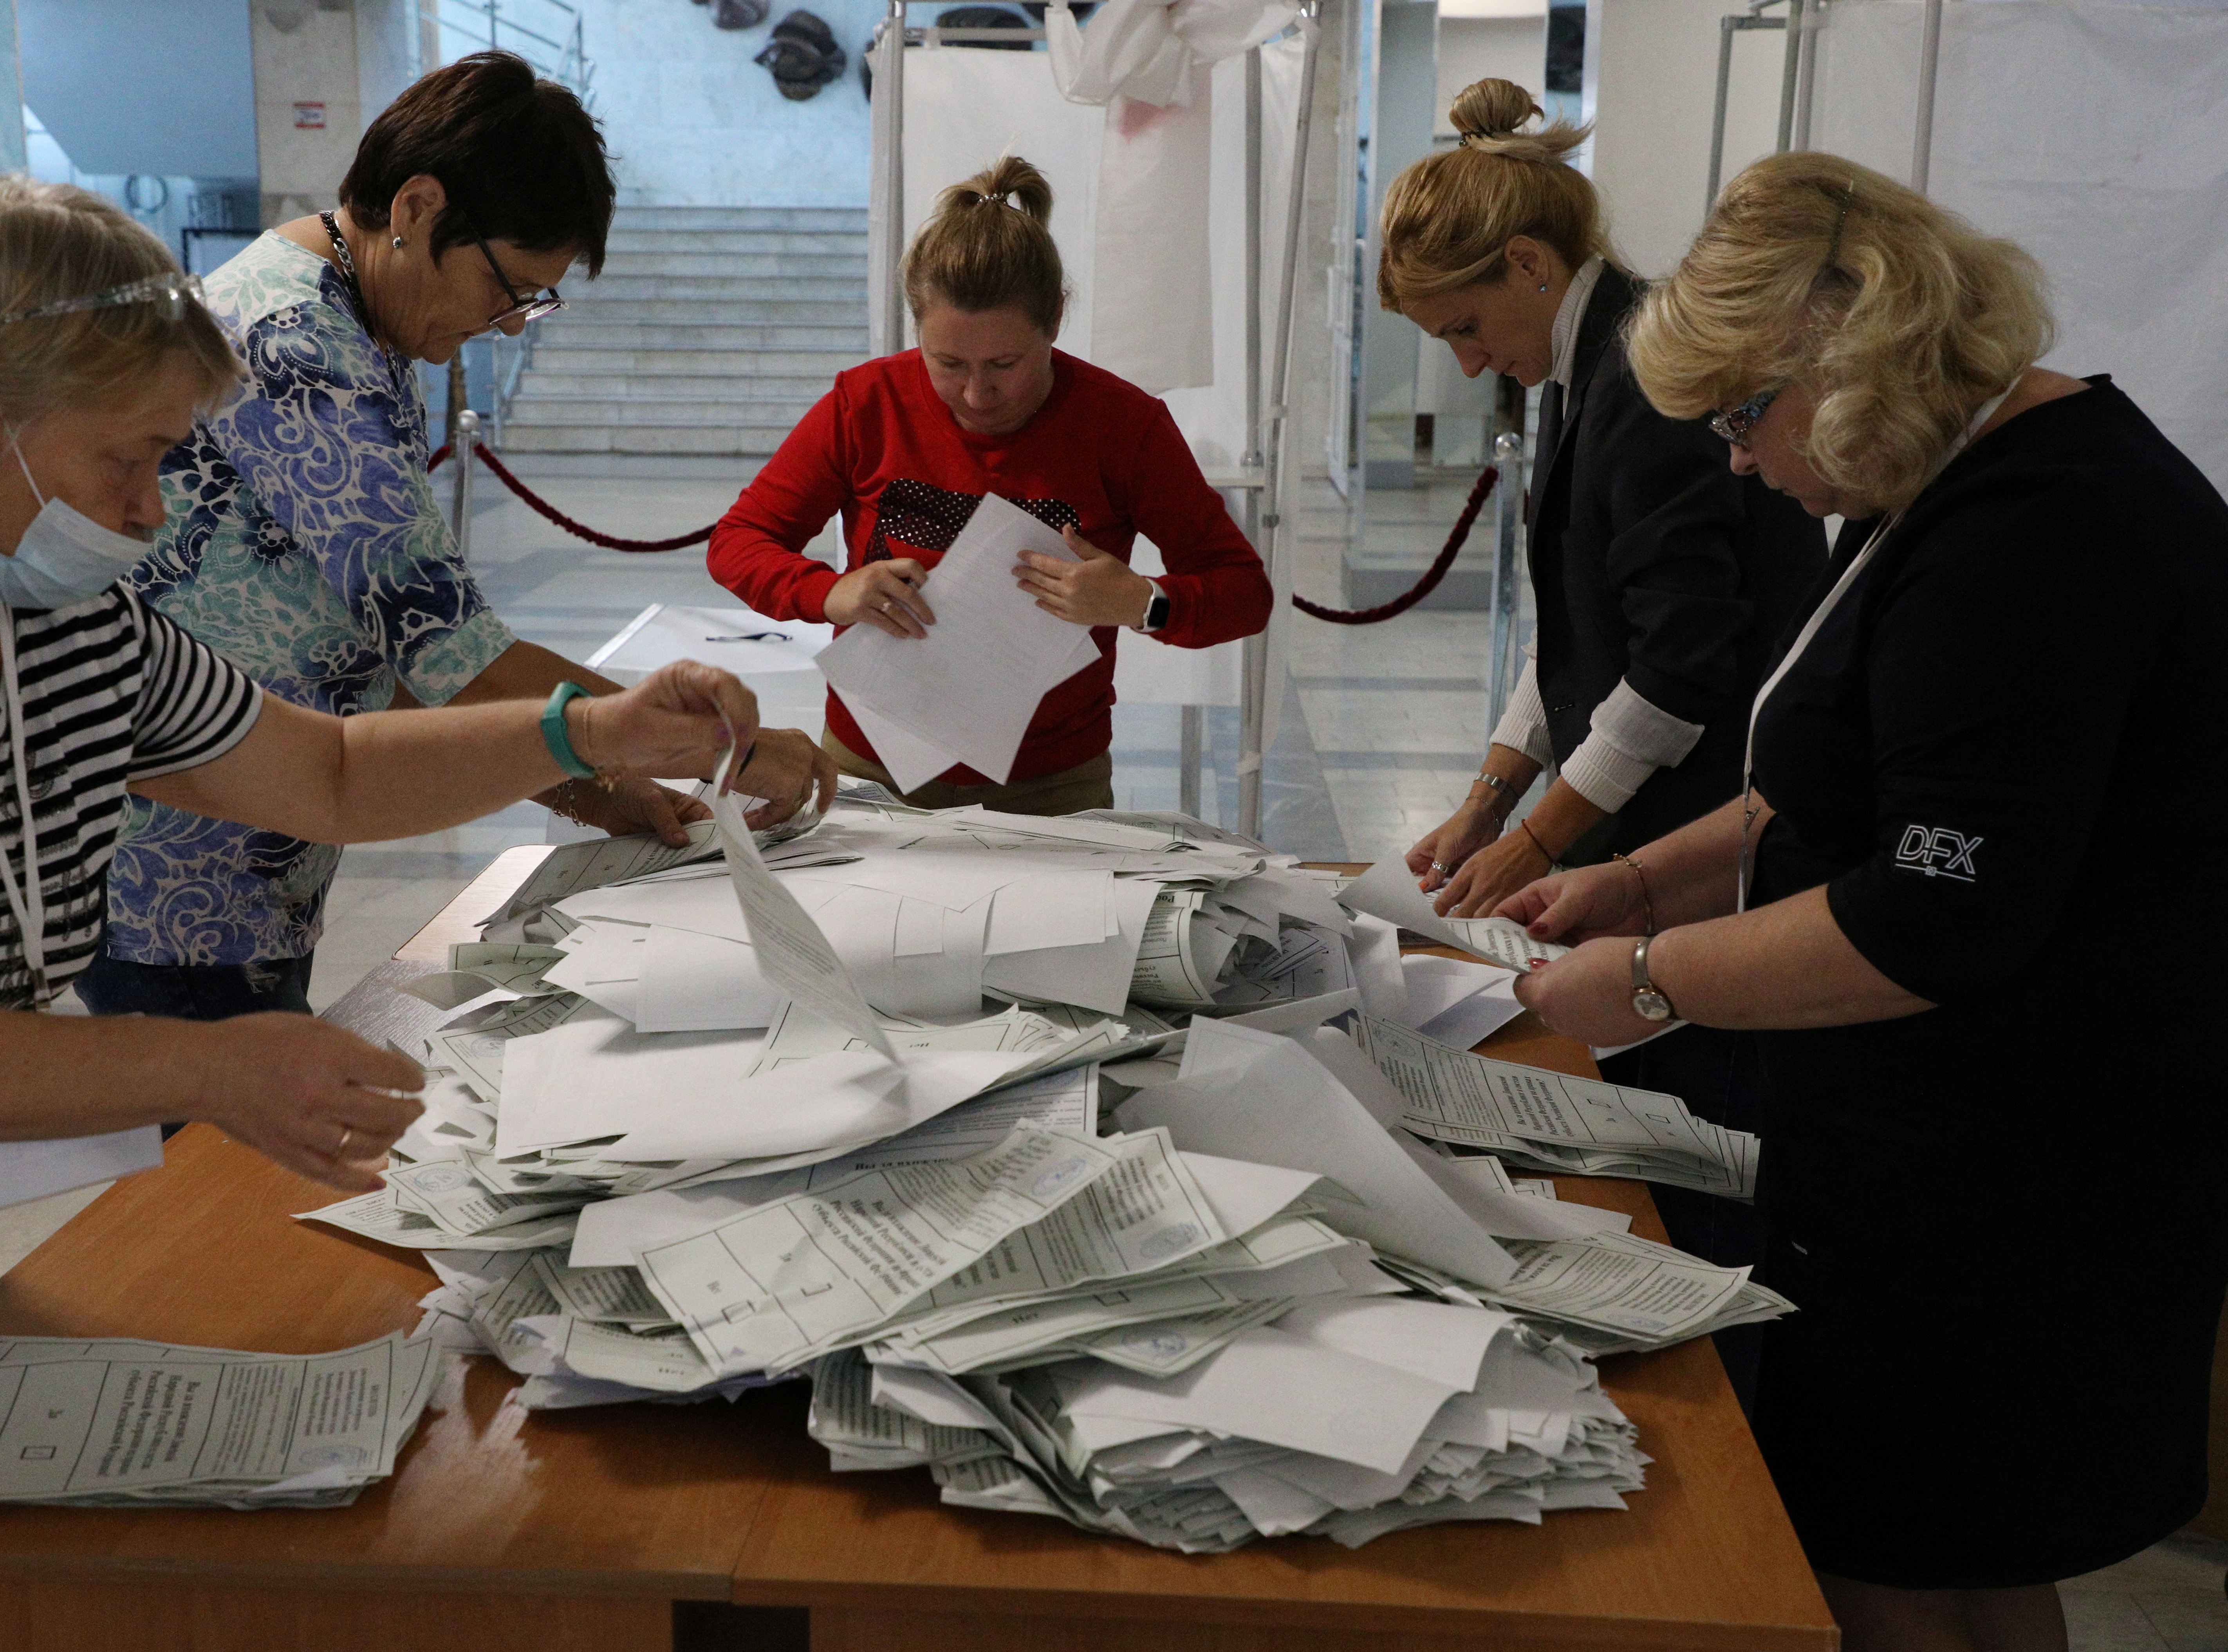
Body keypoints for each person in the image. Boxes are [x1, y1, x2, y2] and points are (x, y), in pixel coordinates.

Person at [0, 173, 768, 1576]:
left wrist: (580, 730)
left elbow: (325, 772)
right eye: (127, 459)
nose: (151, 513)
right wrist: (203, 1069)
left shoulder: (54, 607)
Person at [1508, 151, 2228, 1651]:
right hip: (1948, 1145)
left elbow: (1923, 913)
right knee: (1947, 1547)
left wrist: (1643, 977)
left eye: (1737, 419)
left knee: (1887, 1558)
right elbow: (1830, 783)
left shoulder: (2037, 533)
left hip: (2012, 1166)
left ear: (1840, 357)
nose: (1734, 465)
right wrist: (1642, 872)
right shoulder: (1945, 481)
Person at [85, 50, 833, 1023]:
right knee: (227, 1165)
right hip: (184, 878)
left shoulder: (357, 316)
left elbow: (374, 638)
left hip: (254, 850)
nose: (514, 326)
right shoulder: (298, 347)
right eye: (511, 286)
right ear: (417, 209)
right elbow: (457, 654)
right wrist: (725, 746)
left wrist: (590, 787)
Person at [1376, 79, 1825, 1318]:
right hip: (1660, 820)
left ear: (1528, 263)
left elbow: (1674, 672)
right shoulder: (1592, 368)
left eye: (1466, 327)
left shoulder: (1647, 377)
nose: (1469, 362)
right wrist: (1487, 797)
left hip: (1707, 834)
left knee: (1693, 1161)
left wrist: (1532, 842)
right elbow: (1580, 631)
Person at [707, 155, 1271, 816]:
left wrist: (1145, 602)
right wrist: (829, 591)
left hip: (1053, 781)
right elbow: (739, 542)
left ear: (1054, 321)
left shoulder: (1122, 424)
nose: (976, 394)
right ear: (916, 327)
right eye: (947, 363)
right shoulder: (867, 403)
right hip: (873, 764)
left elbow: (1243, 593)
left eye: (1006, 363)